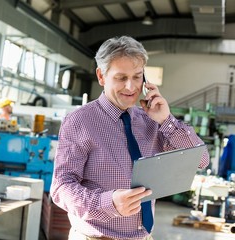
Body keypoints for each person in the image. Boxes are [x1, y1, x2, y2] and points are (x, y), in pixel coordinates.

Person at [50, 36, 210, 240]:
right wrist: (109, 203)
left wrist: (166, 120)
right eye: (121, 78)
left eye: (137, 77)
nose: (130, 87)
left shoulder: (152, 120)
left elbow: (201, 161)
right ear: (101, 76)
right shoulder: (79, 122)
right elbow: (61, 187)